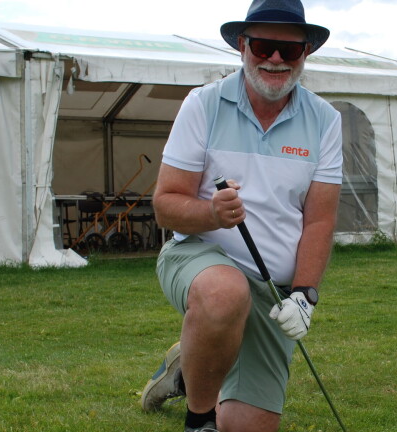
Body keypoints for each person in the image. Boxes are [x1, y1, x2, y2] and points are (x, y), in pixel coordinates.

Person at [139, 1, 342, 431]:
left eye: (289, 50)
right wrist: (212, 211)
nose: (274, 59)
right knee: (224, 294)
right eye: (264, 46)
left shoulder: (326, 120)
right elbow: (165, 204)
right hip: (197, 258)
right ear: (242, 45)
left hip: (273, 289)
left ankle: (186, 363)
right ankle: (199, 420)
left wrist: (305, 293)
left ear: (306, 54)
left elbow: (320, 221)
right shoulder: (203, 105)